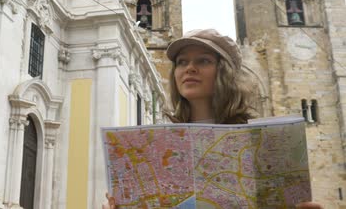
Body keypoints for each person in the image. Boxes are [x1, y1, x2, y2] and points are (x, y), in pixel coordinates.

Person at [103, 29, 323, 209]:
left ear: (224, 72)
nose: (189, 68)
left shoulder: (263, 142)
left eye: (204, 61)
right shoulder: (153, 145)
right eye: (181, 62)